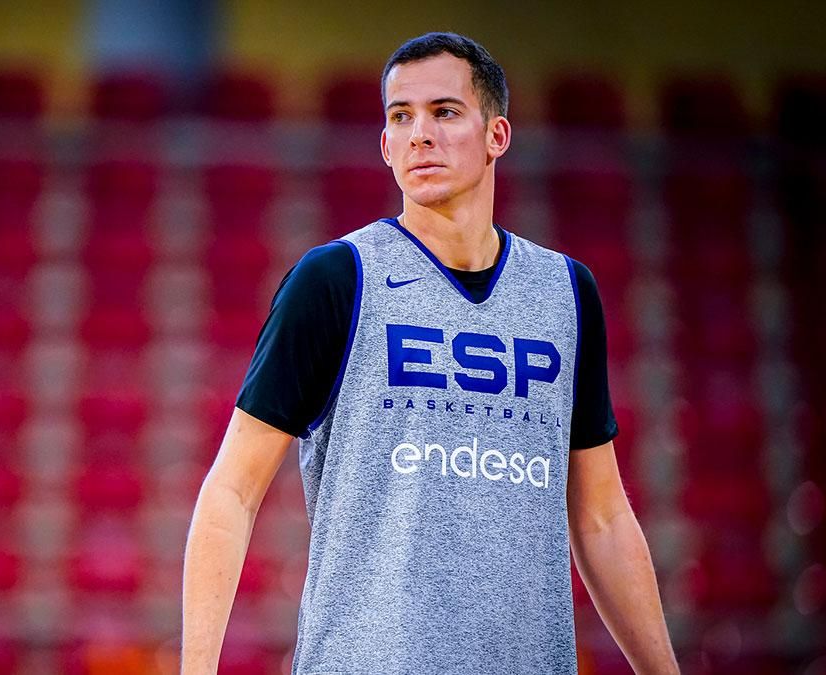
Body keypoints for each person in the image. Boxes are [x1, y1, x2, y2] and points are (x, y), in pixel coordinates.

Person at [182, 32, 678, 674]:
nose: (420, 134)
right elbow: (231, 491)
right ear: (386, 146)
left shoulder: (565, 292)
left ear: (497, 135)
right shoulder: (336, 279)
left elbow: (602, 517)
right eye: (401, 116)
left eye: (444, 112)